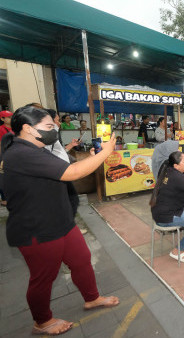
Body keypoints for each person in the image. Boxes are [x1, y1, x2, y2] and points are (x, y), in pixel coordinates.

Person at [0, 105, 119, 335]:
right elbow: (71, 174)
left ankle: (92, 298)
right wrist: (106, 152)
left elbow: (64, 168)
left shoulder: (35, 147)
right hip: (38, 228)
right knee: (43, 277)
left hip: (60, 221)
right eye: (48, 126)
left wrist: (92, 158)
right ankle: (42, 321)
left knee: (82, 259)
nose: (54, 128)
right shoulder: (21, 153)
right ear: (28, 129)